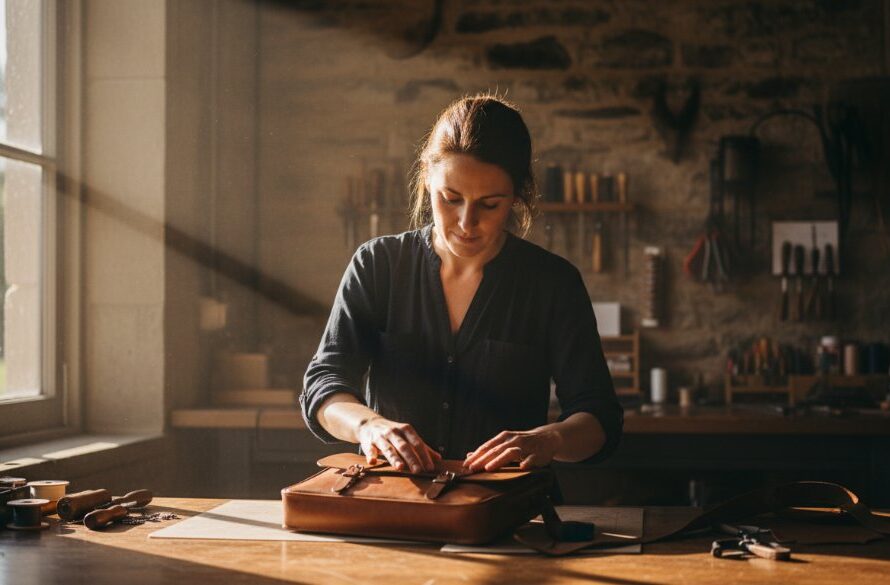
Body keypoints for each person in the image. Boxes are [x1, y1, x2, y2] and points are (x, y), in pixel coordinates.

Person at [301, 94, 622, 474]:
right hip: (394, 507)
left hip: (506, 516)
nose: (466, 223)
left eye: (490, 205)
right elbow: (324, 384)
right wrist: (368, 426)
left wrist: (550, 439)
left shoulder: (553, 283)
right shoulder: (378, 265)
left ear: (518, 195)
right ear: (426, 177)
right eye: (450, 199)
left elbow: (599, 417)